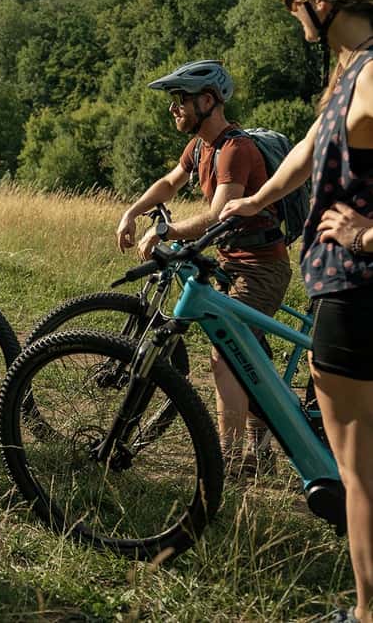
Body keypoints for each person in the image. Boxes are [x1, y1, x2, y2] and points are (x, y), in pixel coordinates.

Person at [223, 0, 373, 623]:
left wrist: (370, 232)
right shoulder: (352, 70)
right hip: (342, 287)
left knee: (360, 474)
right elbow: (313, 145)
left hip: (359, 288)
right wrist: (257, 198)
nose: (292, 13)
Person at [116, 60, 291, 477]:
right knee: (247, 353)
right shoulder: (200, 147)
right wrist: (133, 211)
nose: (173, 109)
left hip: (262, 268)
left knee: (226, 353)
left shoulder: (235, 150)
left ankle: (228, 461)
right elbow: (170, 181)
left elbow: (217, 214)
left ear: (208, 100)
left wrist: (166, 230)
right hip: (232, 263)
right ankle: (259, 444)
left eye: (180, 100)